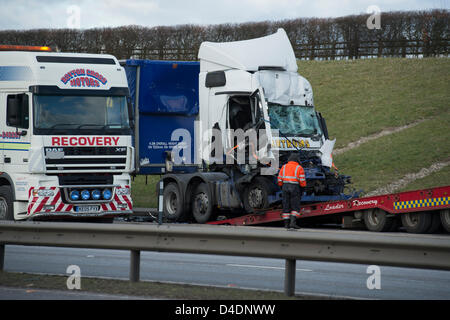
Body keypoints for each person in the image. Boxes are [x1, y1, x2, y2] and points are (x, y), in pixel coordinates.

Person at [277, 154, 306, 229]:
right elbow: (302, 181)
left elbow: (279, 179)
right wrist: (303, 189)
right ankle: (293, 223)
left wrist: (281, 186)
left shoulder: (284, 166)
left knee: (286, 204)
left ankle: (286, 224)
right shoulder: (299, 168)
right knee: (295, 205)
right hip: (294, 187)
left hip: (285, 187)